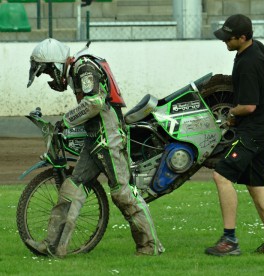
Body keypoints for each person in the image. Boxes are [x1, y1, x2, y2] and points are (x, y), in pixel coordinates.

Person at [25, 38, 164, 258]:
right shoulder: (78, 69)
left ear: (56, 63)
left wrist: (67, 120)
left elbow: (95, 102)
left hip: (109, 137)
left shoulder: (84, 67)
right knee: (72, 188)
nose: (52, 77)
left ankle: (150, 246)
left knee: (122, 193)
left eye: (50, 72)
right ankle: (54, 246)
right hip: (95, 138)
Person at [205, 14, 264, 256]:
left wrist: (232, 113)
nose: (224, 41)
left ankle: (229, 241)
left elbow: (249, 106)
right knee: (255, 183)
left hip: (254, 130)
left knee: (221, 176)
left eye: (228, 38)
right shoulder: (256, 48)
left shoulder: (248, 64)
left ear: (242, 38)